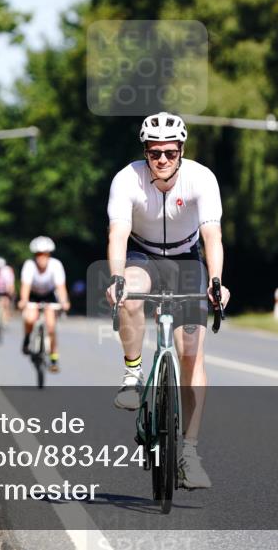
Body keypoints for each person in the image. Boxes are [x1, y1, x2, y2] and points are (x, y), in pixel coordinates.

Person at [105, 111, 230, 490]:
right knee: (129, 291)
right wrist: (116, 278)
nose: (162, 160)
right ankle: (132, 373)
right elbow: (118, 234)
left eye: (170, 153)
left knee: (190, 351)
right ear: (145, 152)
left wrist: (215, 281)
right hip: (142, 255)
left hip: (185, 258)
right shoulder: (127, 179)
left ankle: (189, 451)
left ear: (181, 151)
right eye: (154, 152)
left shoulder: (201, 178)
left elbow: (212, 236)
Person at [18, 236, 71, 372]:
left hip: (49, 296)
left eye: (45, 254)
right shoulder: (29, 265)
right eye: (39, 255)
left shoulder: (56, 265)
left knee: (51, 326)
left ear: (49, 255)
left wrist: (64, 302)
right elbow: (25, 286)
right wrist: (23, 301)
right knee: (30, 318)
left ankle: (54, 359)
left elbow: (60, 287)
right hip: (33, 295)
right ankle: (27, 338)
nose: (42, 258)